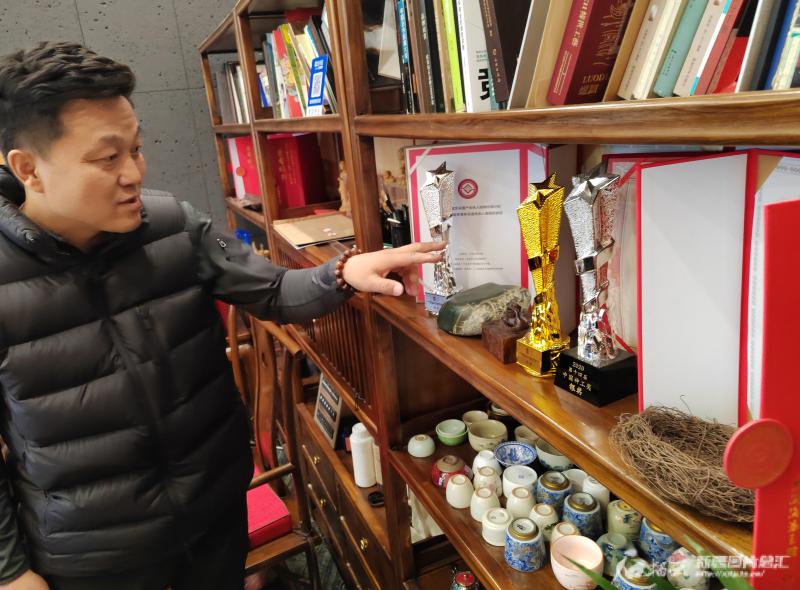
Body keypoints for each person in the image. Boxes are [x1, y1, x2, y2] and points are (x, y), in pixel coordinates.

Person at [0, 41, 445, 590]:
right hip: (93, 552)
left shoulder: (170, 224)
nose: (134, 172)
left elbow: (274, 291)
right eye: (107, 158)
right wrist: (11, 572)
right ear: (29, 169)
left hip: (215, 508)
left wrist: (344, 271)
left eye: (135, 149)